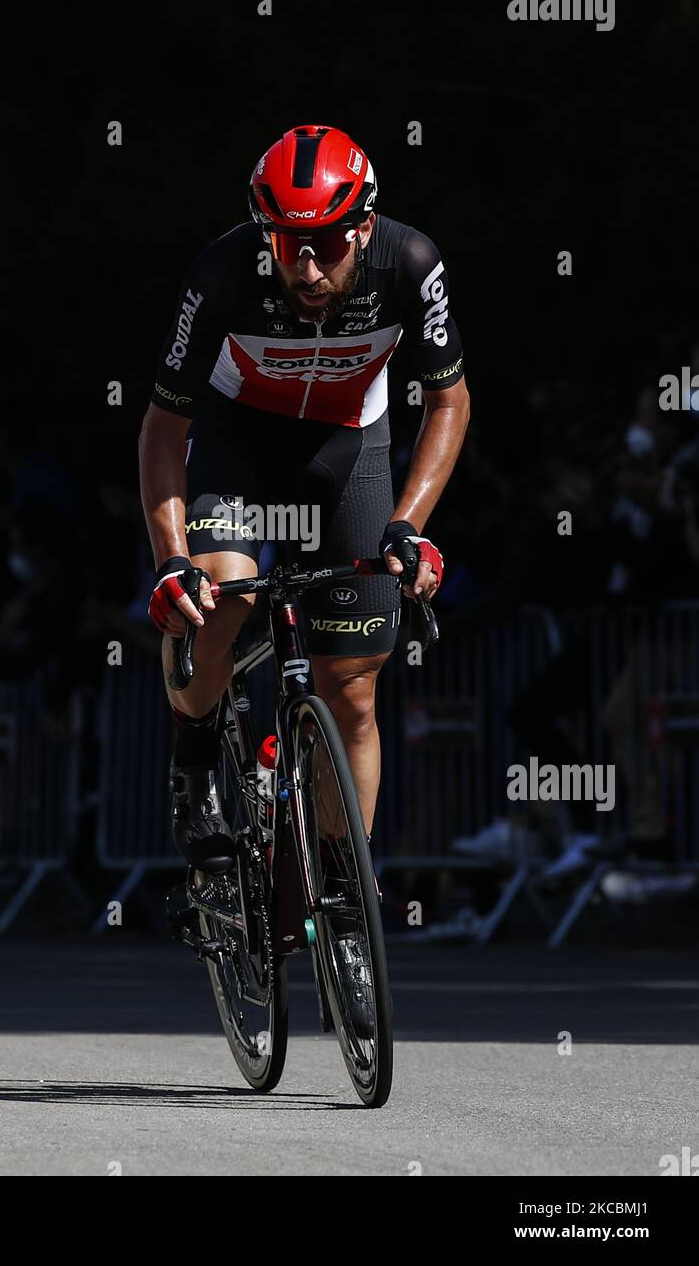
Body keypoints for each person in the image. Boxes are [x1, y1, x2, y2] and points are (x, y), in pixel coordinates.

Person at [140, 124, 469, 888]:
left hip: (347, 452)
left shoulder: (409, 263)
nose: (307, 265)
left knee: (351, 685)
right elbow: (164, 426)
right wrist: (172, 563)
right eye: (288, 244)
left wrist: (409, 526)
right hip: (239, 447)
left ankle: (343, 889)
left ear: (363, 225)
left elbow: (448, 402)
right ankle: (194, 758)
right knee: (216, 598)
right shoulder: (223, 270)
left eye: (324, 242)